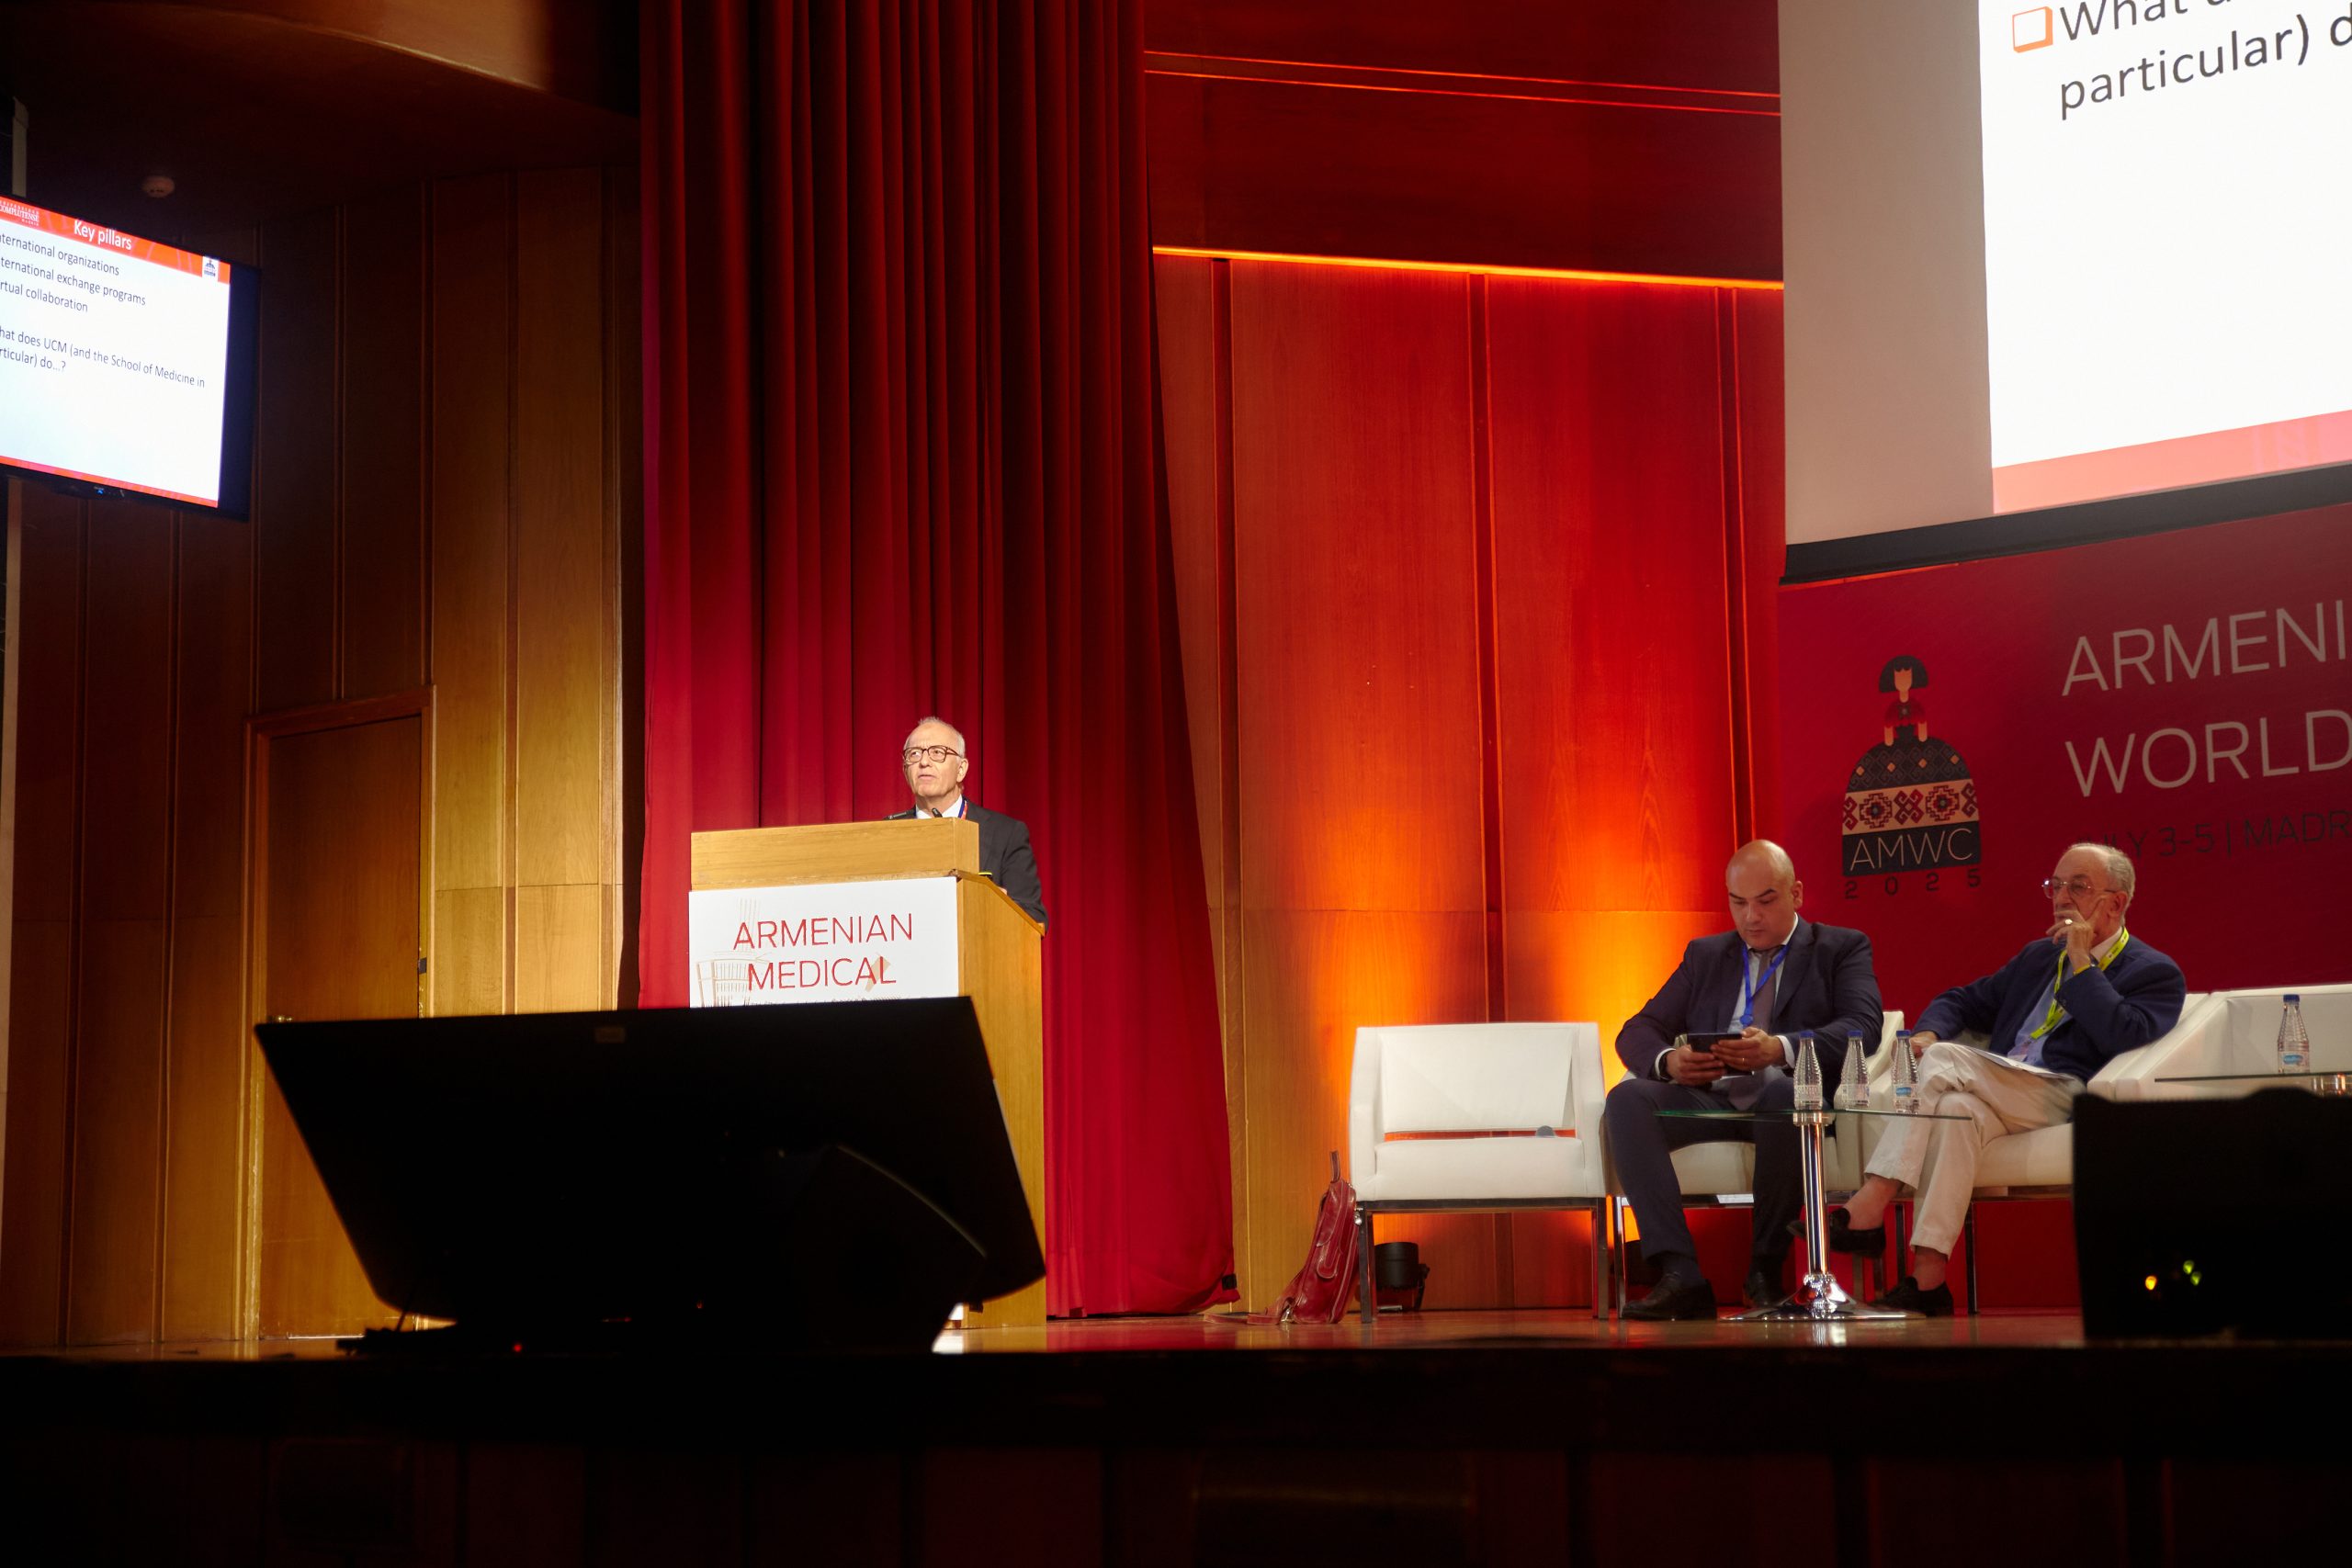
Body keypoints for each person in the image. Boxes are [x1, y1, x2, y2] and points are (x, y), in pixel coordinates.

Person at [1829, 842, 2184, 1315]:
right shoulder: (2038, 957)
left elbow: (2120, 1032)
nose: (2062, 897)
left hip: (2065, 1092)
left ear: (2115, 903)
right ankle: (1929, 1280)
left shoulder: (2153, 971)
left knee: (1942, 1060)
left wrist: (2082, 963)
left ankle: (1874, 1198)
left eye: (2078, 887)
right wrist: (1929, 1032)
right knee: (1956, 1111)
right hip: (2001, 1087)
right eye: (2056, 885)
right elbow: (1961, 1000)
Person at [1605, 841, 1883, 1320]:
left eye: (1765, 901)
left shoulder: (1839, 947)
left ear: (1796, 894)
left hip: (1789, 1101)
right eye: (1738, 903)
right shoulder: (1706, 955)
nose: (1751, 917)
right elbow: (1638, 1030)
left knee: (1781, 1091)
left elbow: (1864, 1026)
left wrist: (1781, 1048)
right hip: (1711, 1100)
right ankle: (1680, 1274)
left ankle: (1764, 1271)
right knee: (1627, 1099)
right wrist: (1669, 1062)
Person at [888, 716, 1048, 929]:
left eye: (937, 752)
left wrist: (993, 903)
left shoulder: (1005, 834)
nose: (924, 762)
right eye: (914, 754)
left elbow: (1034, 917)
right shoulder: (887, 836)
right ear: (905, 770)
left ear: (961, 769)